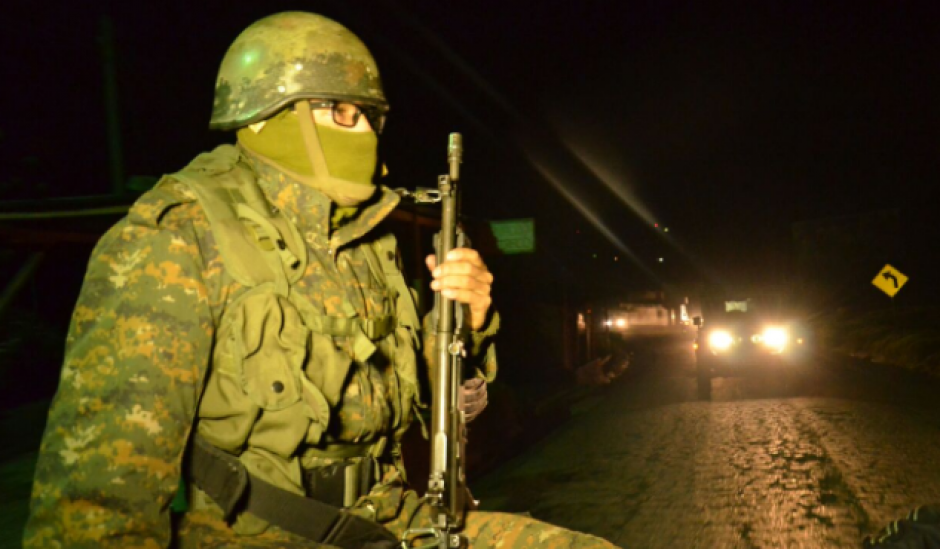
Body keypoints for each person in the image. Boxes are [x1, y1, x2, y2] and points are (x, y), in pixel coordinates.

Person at [23, 11, 618, 549]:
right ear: (276, 113)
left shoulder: (366, 240)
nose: (365, 134)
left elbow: (439, 409)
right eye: (343, 112)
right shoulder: (177, 237)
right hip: (252, 536)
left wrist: (468, 324)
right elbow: (95, 505)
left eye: (368, 117)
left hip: (390, 518)